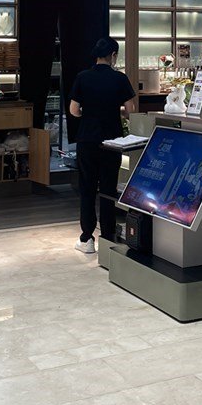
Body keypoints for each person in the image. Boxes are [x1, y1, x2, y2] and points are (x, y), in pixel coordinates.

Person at [69, 37, 136, 254]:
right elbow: (131, 110)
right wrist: (115, 111)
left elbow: (73, 110)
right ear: (113, 55)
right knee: (108, 189)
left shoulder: (82, 77)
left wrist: (89, 113)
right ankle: (107, 236)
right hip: (112, 142)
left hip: (87, 139)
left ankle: (86, 239)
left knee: (87, 189)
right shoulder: (120, 78)